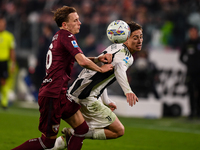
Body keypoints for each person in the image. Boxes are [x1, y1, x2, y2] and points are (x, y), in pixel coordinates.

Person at [12, 6, 113, 150]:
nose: (80, 22)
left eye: (78, 19)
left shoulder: (59, 36)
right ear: (65, 25)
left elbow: (79, 58)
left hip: (60, 94)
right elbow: (82, 61)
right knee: (47, 142)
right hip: (52, 94)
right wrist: (101, 69)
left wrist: (97, 59)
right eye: (75, 20)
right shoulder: (67, 36)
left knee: (82, 129)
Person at [52, 21, 142, 150]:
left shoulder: (113, 48)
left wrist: (105, 100)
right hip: (87, 97)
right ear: (126, 38)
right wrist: (128, 91)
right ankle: (73, 133)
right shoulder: (126, 56)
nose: (139, 41)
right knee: (118, 130)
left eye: (141, 36)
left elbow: (99, 74)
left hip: (75, 93)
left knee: (82, 128)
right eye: (135, 37)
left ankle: (56, 144)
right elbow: (120, 71)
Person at [179, 26, 200, 119]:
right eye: (191, 32)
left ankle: (198, 112)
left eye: (194, 32)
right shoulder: (187, 43)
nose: (192, 34)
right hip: (190, 72)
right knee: (191, 92)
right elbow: (181, 57)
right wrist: (188, 64)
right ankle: (192, 112)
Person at [0, 15, 16, 109]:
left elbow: (12, 51)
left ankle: (4, 102)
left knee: (3, 82)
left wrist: (12, 63)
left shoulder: (9, 36)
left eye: (2, 24)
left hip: (4, 62)